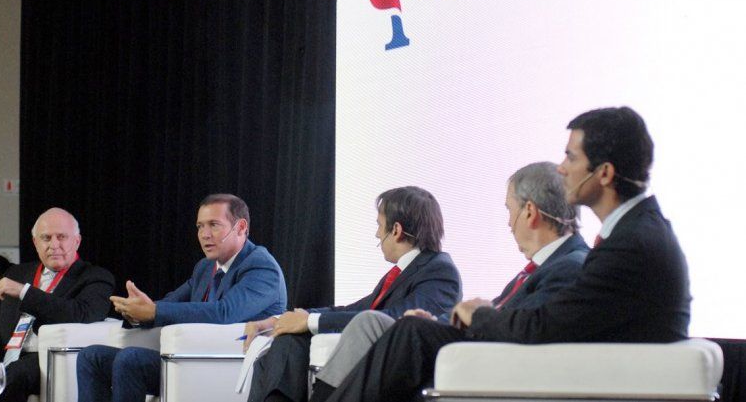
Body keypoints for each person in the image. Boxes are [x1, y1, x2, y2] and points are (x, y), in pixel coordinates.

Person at [323, 106, 691, 402]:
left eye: (570, 157)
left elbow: (546, 325)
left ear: (604, 173)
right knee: (412, 332)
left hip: (553, 373)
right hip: (555, 364)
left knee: (412, 334)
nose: (562, 168)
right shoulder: (637, 232)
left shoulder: (630, 244)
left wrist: (480, 315)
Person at [309, 162, 588, 402]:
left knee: (410, 331)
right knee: (401, 327)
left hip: (495, 361)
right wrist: (437, 321)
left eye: (509, 210)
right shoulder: (548, 265)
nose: (508, 223)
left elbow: (528, 327)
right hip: (480, 349)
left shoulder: (570, 266)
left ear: (529, 212)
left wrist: (478, 314)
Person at [246, 186, 462, 402]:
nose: (377, 234)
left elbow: (402, 320)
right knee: (286, 340)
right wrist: (283, 320)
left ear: (396, 230)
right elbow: (355, 308)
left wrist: (309, 321)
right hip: (373, 362)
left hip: (395, 374)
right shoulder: (400, 273)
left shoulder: (440, 270)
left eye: (379, 225)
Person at [77, 193, 287, 402]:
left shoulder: (261, 266)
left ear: (240, 227)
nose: (204, 234)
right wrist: (138, 312)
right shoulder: (205, 267)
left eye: (213, 225)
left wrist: (154, 311)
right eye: (200, 226)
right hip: (189, 358)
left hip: (229, 366)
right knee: (91, 356)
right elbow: (170, 303)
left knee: (130, 358)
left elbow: (224, 312)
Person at [0, 208, 115, 402]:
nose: (54, 245)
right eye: (46, 238)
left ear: (77, 241)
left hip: (45, 358)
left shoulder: (95, 277)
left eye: (61, 237)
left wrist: (24, 292)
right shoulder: (17, 273)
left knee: (15, 374)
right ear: (35, 242)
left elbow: (82, 314)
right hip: (3, 352)